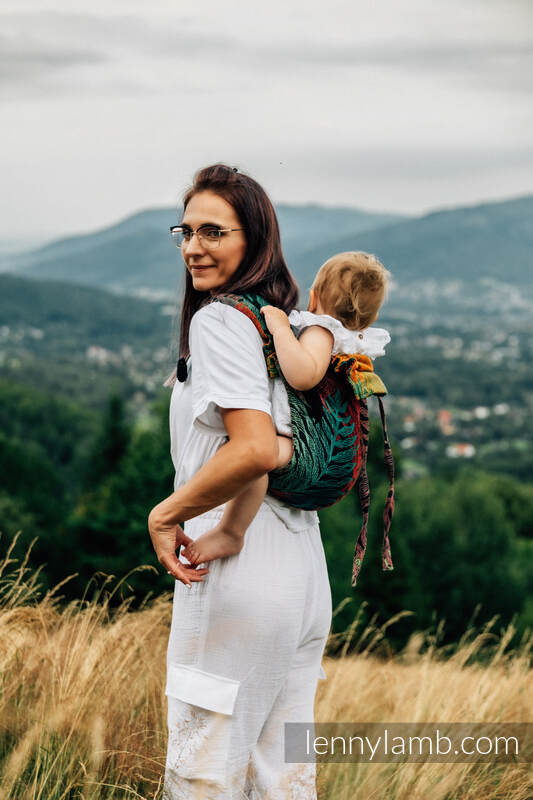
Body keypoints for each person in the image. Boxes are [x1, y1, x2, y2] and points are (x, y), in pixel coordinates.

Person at [148, 163, 332, 799]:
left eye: (213, 232)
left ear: (253, 239)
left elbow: (251, 448)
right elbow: (275, 443)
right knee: (282, 779)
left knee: (204, 775)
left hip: (238, 572)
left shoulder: (221, 320)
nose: (193, 247)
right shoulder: (281, 320)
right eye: (186, 231)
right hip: (304, 575)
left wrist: (166, 514)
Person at [182, 251, 391, 568]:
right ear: (371, 318)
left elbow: (304, 376)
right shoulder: (351, 342)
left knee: (251, 458)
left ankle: (231, 530)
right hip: (329, 460)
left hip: (302, 449)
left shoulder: (322, 331)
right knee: (256, 454)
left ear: (313, 297)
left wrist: (280, 329)